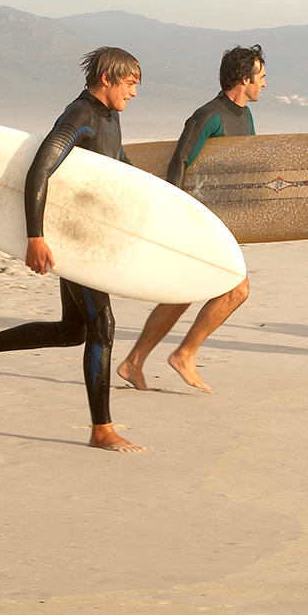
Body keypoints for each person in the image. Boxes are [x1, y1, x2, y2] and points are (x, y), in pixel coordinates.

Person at [0, 47, 145, 452]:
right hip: (69, 238)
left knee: (74, 330)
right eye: (130, 84)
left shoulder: (110, 117)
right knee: (103, 329)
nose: (134, 94)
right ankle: (101, 429)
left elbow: (116, 165)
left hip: (88, 235)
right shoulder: (80, 115)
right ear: (107, 78)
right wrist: (35, 237)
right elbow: (40, 168)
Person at [116, 45, 265, 393]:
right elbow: (179, 162)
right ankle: (184, 353)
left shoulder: (245, 117)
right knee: (236, 290)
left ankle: (134, 362)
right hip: (197, 221)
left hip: (223, 222)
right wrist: (175, 218)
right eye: (261, 77)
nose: (264, 84)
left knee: (183, 291)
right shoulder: (208, 115)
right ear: (244, 79)